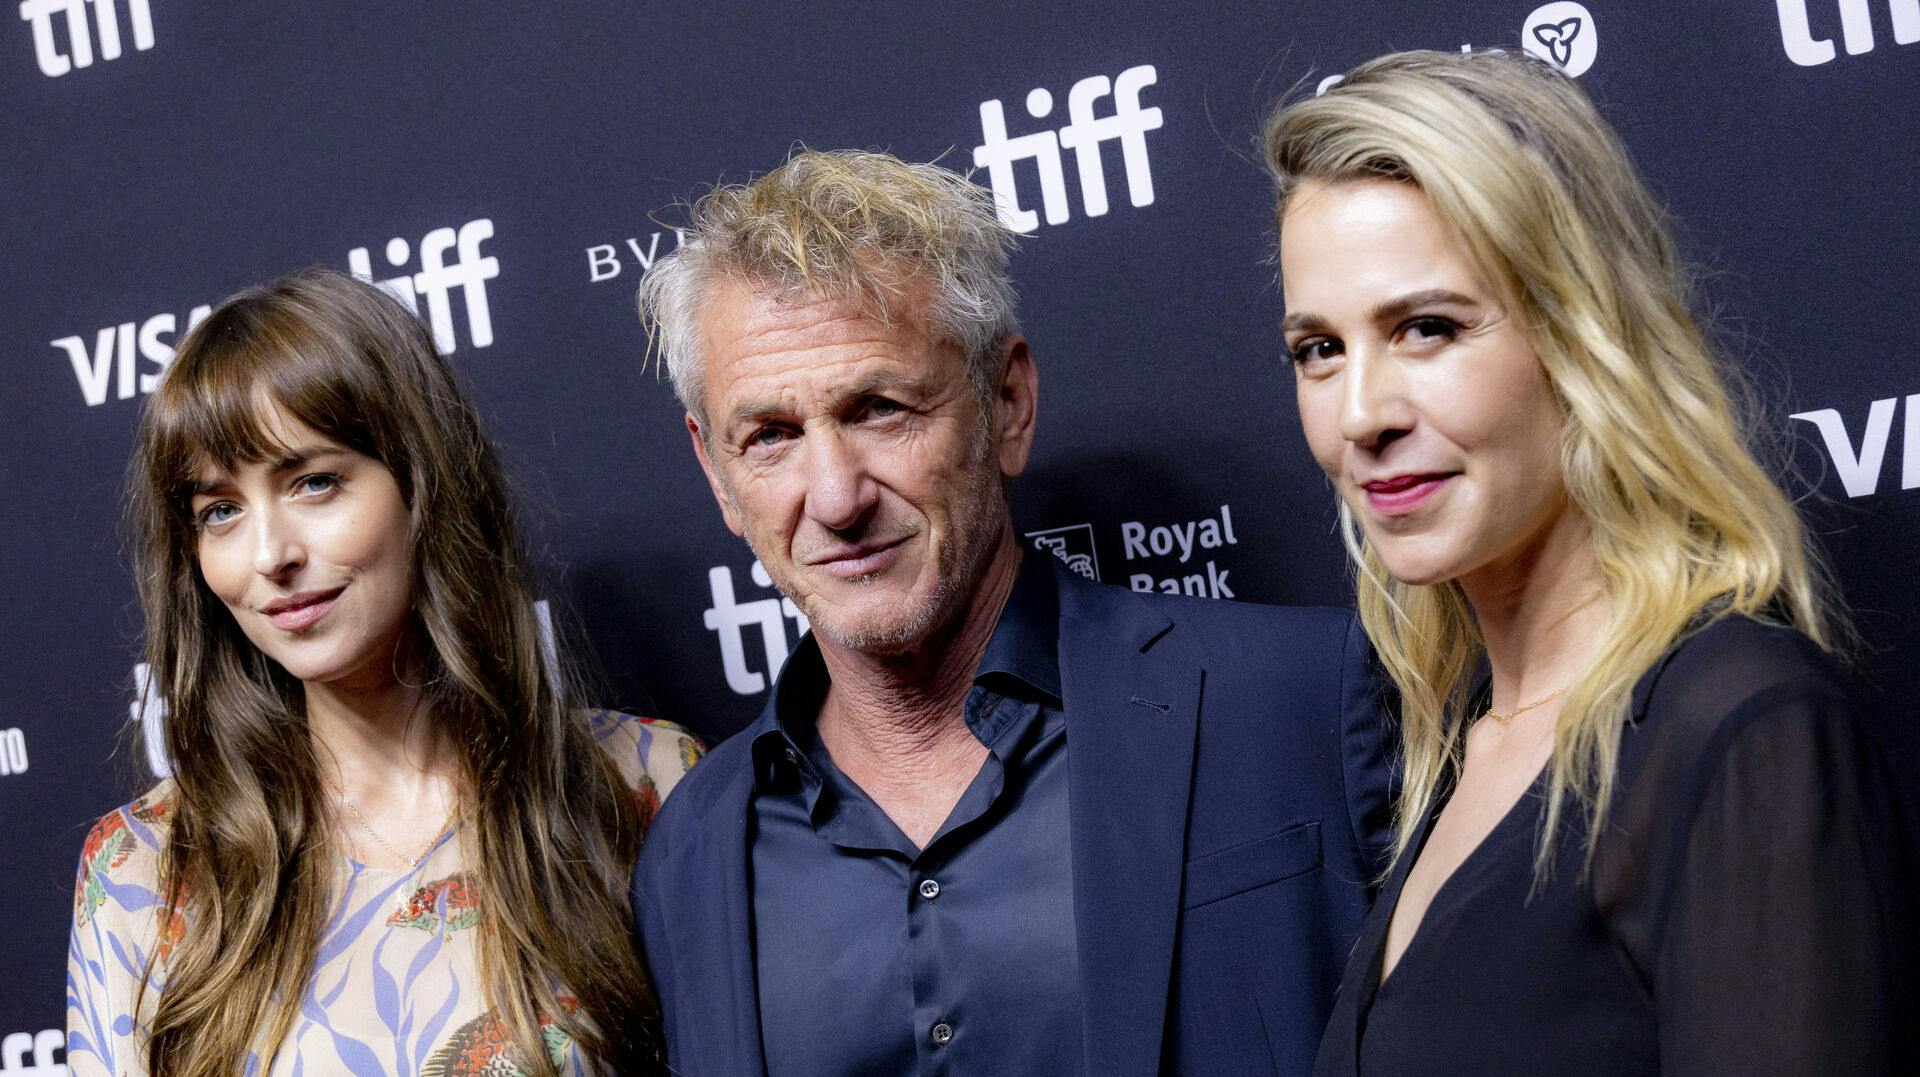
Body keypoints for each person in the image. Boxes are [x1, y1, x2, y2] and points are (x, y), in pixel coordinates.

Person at [628, 148, 1395, 1076]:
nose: (834, 497)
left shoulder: (1301, 698)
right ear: (717, 472)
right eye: (772, 437)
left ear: (1009, 401)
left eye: (879, 408)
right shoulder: (689, 855)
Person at [1265, 50, 1909, 1075]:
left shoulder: (1743, 728)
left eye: (1427, 329)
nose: (1360, 416)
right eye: (1318, 349)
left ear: (1581, 332)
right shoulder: (1464, 736)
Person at [65, 267, 701, 1077]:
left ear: (423, 482)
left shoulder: (644, 783)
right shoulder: (143, 866)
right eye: (220, 509)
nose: (271, 556)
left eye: (314, 482)